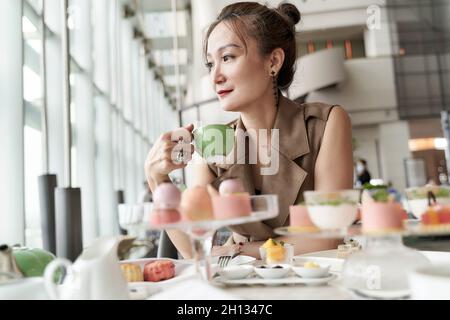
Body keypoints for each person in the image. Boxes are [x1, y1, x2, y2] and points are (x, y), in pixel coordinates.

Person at [144, 2, 354, 259]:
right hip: (240, 287)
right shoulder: (214, 143)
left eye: (228, 57)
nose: (215, 76)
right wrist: (157, 180)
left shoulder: (325, 124)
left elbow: (328, 235)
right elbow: (194, 248)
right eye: (211, 64)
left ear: (273, 61)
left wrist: (237, 250)